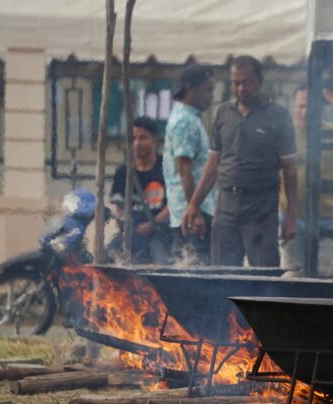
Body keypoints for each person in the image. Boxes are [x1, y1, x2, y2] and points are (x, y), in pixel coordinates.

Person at [183, 56, 297, 268]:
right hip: (226, 206)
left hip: (262, 209)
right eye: (236, 83)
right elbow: (213, 164)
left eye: (247, 83)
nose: (241, 88)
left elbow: (289, 170)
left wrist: (291, 216)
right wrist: (194, 205)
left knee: (265, 278)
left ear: (260, 81)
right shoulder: (222, 113)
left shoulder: (278, 116)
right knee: (221, 276)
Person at [280, 85, 333, 276]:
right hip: (293, 218)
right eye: (300, 106)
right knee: (294, 276)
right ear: (293, 106)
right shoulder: (284, 135)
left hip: (328, 217)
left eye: (310, 106)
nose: (305, 112)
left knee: (328, 276)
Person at [163, 64, 216, 265]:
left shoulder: (190, 118)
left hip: (191, 210)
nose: (211, 96)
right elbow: (185, 171)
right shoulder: (185, 121)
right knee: (194, 270)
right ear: (190, 88)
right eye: (207, 90)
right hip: (191, 215)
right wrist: (196, 212)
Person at [108, 117, 171, 264]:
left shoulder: (167, 168)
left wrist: (152, 224)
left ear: (154, 139)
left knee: (162, 268)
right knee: (107, 261)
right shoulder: (123, 172)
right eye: (134, 138)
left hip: (159, 233)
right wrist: (126, 224)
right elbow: (119, 206)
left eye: (143, 138)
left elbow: (174, 205)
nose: (138, 143)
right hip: (131, 234)